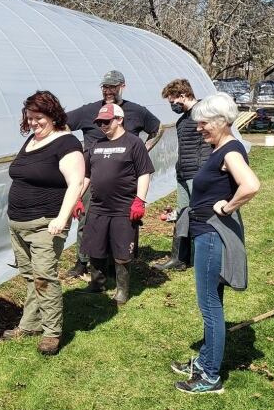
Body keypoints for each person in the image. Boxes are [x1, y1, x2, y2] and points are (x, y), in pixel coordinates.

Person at [171, 93, 259, 394]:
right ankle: (205, 359)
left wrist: (227, 207)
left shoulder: (230, 151)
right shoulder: (220, 148)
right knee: (213, 302)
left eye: (204, 123)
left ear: (221, 122)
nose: (199, 129)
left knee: (209, 306)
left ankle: (210, 376)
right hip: (205, 232)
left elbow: (251, 185)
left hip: (212, 234)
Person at [1, 91, 84, 355]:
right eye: (30, 118)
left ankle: (52, 332)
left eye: (40, 118)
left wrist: (62, 218)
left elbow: (76, 184)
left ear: (53, 115)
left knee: (45, 277)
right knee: (30, 277)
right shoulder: (31, 141)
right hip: (19, 222)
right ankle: (30, 324)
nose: (34, 123)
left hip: (46, 224)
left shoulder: (66, 144)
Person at [64, 71, 161, 278]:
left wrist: (144, 149)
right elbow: (63, 125)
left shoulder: (136, 111)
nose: (108, 91)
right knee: (88, 220)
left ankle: (113, 262)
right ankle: (83, 262)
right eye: (105, 87)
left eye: (112, 87)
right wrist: (76, 153)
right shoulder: (89, 110)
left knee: (121, 222)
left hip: (123, 177)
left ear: (122, 86)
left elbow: (157, 128)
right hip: (93, 175)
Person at [79, 104, 154, 305]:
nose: (102, 125)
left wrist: (140, 200)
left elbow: (144, 173)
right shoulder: (96, 144)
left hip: (123, 207)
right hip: (98, 206)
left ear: (119, 119)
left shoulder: (134, 143)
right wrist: (78, 197)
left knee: (122, 250)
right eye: (99, 122)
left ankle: (122, 290)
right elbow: (87, 174)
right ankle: (97, 283)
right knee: (94, 246)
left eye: (106, 121)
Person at [155, 79, 211, 270]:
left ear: (183, 95)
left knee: (201, 215)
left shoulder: (205, 113)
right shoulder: (183, 120)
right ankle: (179, 258)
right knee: (183, 214)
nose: (172, 106)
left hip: (199, 173)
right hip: (183, 173)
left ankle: (201, 257)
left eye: (173, 101)